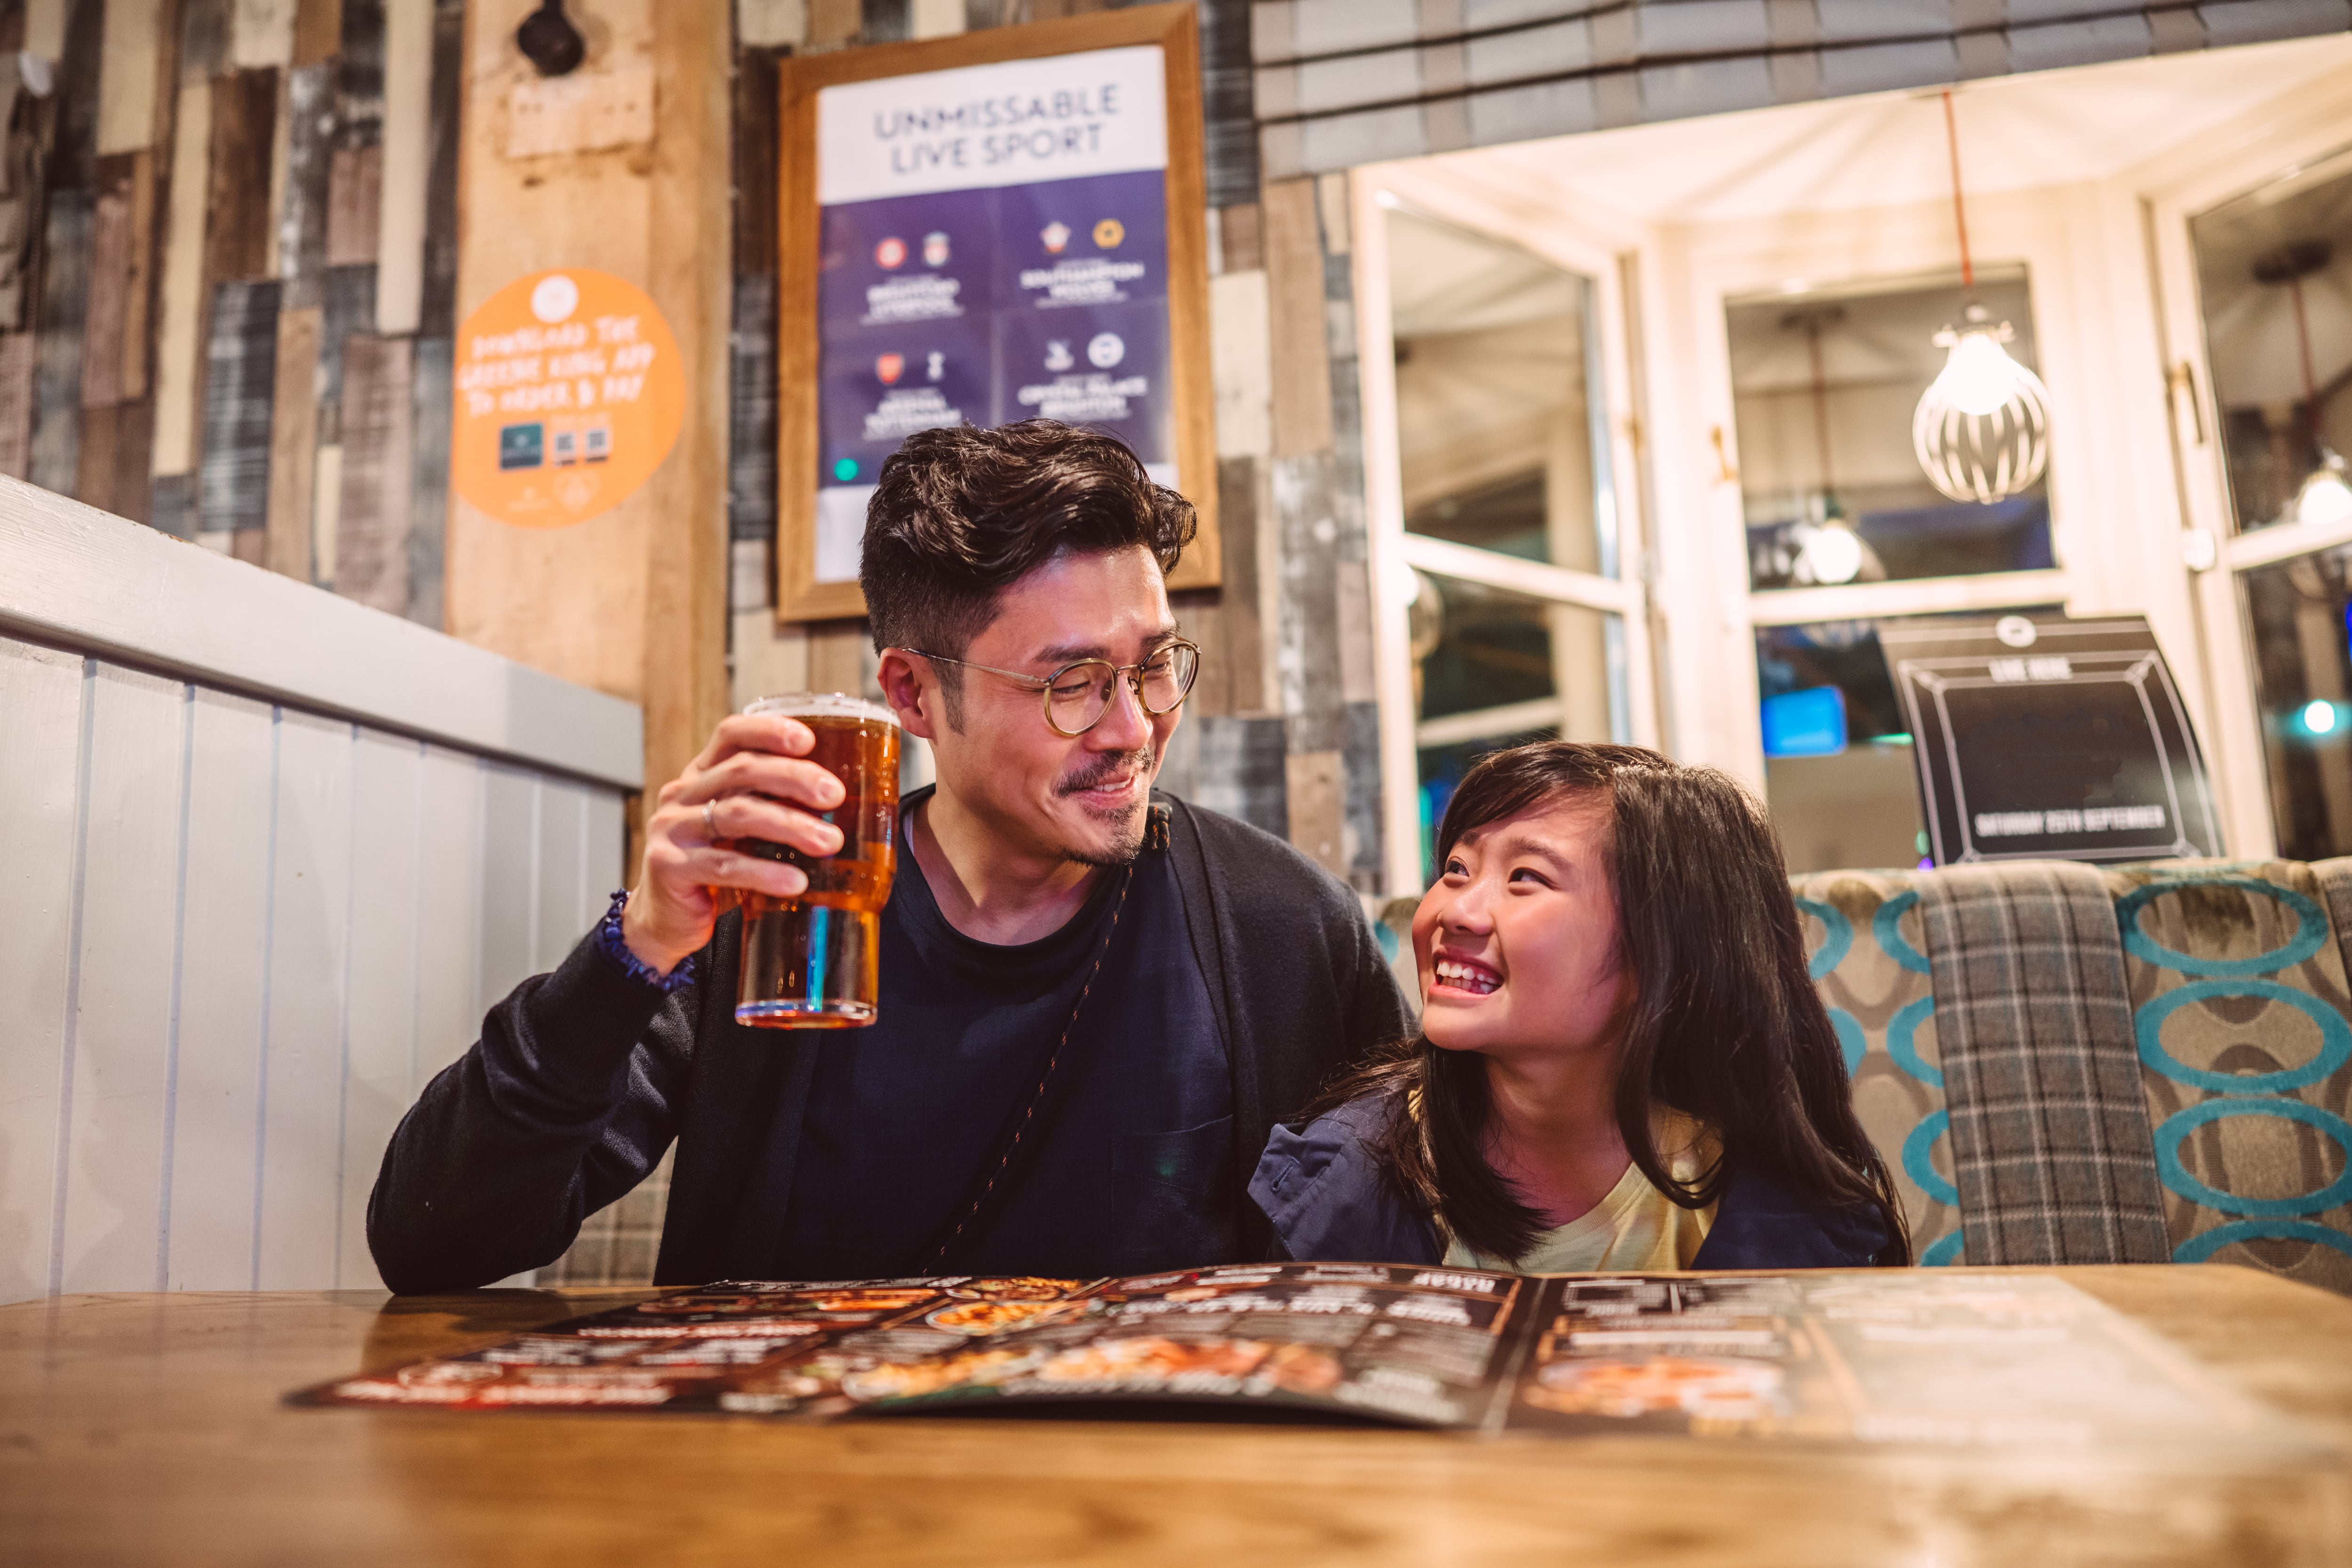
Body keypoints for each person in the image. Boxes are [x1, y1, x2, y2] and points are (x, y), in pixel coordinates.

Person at [369, 420, 1409, 1291]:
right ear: (913, 693)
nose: (1134, 726)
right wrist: (639, 943)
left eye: (1152, 666)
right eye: (1072, 680)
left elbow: (1396, 1264)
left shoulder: (1276, 926)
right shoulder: (781, 913)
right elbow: (432, 1242)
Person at [1249, 741, 1909, 1271]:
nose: (1458, 910)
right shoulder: (1345, 1183)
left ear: (1660, 951)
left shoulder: (1778, 1206)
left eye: (1524, 878)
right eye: (1456, 868)